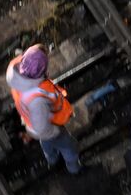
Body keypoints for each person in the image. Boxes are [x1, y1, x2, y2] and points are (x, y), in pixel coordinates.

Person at [6, 44, 80, 174]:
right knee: (69, 148)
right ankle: (75, 170)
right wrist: (55, 131)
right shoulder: (36, 100)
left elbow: (31, 54)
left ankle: (52, 160)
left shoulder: (16, 71)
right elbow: (42, 130)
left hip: (32, 120)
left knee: (46, 144)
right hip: (49, 126)